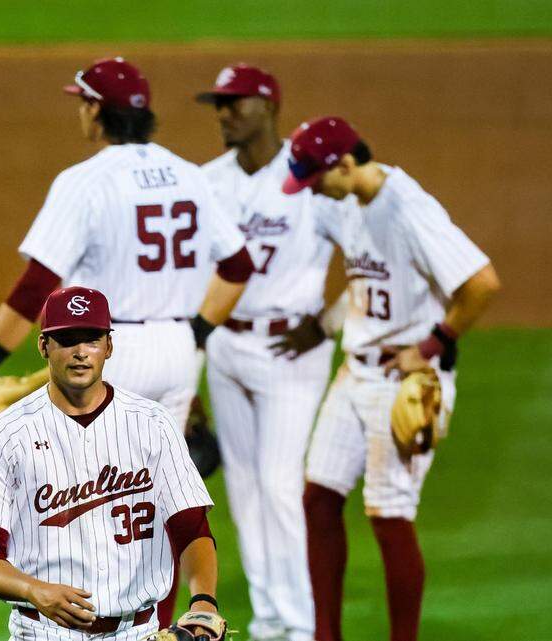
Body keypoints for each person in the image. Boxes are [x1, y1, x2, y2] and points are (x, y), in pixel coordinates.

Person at [0, 57, 254, 626]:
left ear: (97, 111)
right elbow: (239, 264)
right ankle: (159, 629)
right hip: (176, 351)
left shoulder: (85, 181)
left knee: (87, 507)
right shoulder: (189, 173)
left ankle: (73, 621)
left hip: (105, 352)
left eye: (83, 102)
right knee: (156, 506)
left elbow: (36, 286)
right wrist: (191, 333)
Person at [281, 116, 501, 641]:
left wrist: (430, 347)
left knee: (389, 514)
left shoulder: (409, 210)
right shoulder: (352, 201)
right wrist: (327, 325)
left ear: (345, 164)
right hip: (354, 374)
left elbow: (482, 283)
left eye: (316, 177)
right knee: (319, 499)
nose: (313, 189)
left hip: (402, 383)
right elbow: (365, 282)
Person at [0, 286, 228, 641]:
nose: (81, 352)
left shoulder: (154, 424)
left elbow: (192, 530)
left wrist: (203, 600)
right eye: (67, 340)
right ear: (43, 346)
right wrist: (33, 589)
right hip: (41, 633)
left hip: (138, 632)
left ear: (109, 347)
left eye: (92, 339)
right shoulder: (5, 434)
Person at [195, 64, 342, 641]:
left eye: (235, 103)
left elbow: (367, 256)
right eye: (218, 104)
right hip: (228, 345)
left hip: (291, 353)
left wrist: (327, 325)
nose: (224, 114)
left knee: (280, 484)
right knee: (246, 490)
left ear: (270, 106)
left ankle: (302, 625)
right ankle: (269, 620)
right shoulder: (207, 181)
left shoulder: (310, 180)